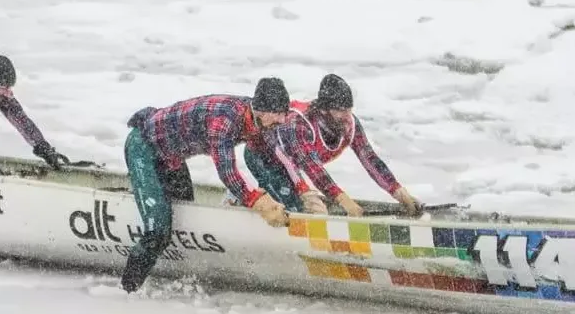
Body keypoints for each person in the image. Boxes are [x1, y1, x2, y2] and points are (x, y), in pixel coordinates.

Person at [122, 78, 311, 293]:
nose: (283, 118)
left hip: (171, 158)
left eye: (284, 112)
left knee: (187, 214)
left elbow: (276, 157)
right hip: (144, 148)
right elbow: (227, 172)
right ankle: (128, 290)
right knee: (158, 230)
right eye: (278, 113)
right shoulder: (225, 120)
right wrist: (258, 202)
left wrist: (304, 192)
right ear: (261, 111)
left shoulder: (259, 120)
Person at [246, 74, 423, 219]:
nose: (347, 116)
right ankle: (244, 202)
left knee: (307, 199)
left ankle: (265, 195)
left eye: (349, 109)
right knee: (300, 208)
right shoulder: (300, 125)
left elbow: (370, 160)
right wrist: (344, 201)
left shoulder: (350, 123)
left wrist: (398, 192)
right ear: (324, 110)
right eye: (341, 111)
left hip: (291, 166)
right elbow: (313, 169)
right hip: (262, 158)